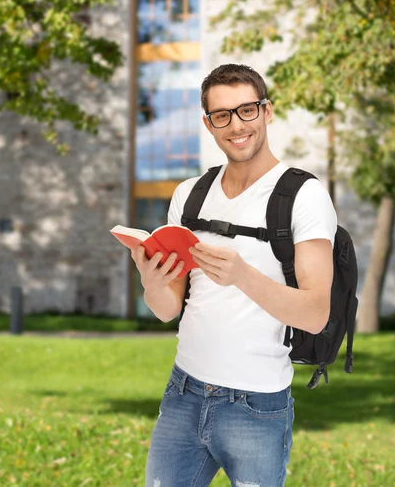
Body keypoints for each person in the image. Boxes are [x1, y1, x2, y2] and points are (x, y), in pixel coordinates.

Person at [132, 64, 337, 487]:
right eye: (222, 115)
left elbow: (316, 313)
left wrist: (243, 275)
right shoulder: (189, 195)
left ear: (267, 111)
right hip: (183, 394)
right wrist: (152, 283)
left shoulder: (304, 196)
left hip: (256, 407)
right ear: (209, 124)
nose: (236, 125)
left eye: (247, 110)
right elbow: (168, 309)